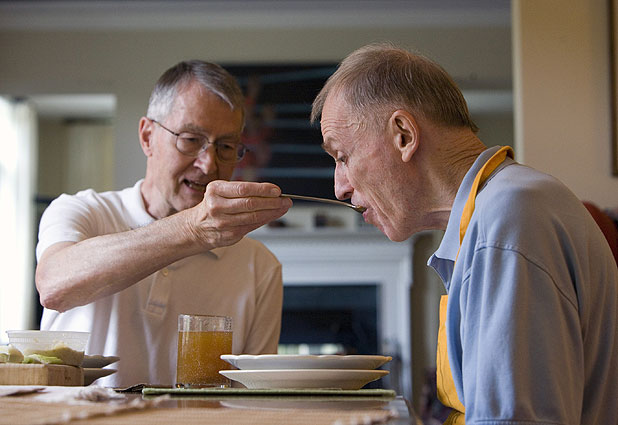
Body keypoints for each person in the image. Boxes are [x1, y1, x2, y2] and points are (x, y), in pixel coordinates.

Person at [311, 43, 618, 425]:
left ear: (403, 135)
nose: (339, 188)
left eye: (342, 157)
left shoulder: (507, 220)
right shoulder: (497, 210)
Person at [35, 60, 292, 387]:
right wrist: (191, 230)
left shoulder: (260, 266)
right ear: (147, 136)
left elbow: (255, 397)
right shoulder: (81, 211)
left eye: (226, 146)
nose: (208, 164)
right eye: (191, 139)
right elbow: (54, 287)